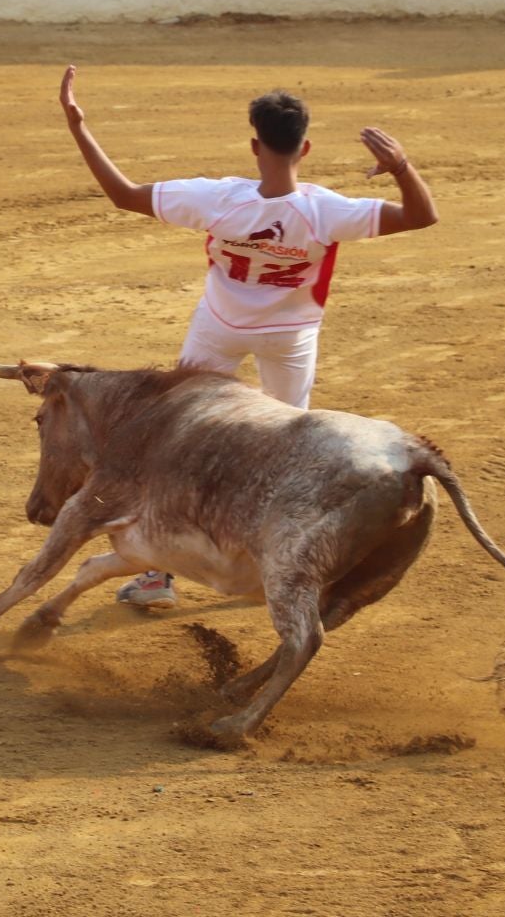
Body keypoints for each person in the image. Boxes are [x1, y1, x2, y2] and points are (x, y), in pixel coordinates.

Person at [56, 66, 440, 611]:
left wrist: (78, 125)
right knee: (285, 452)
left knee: (172, 444)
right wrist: (401, 167)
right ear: (304, 147)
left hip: (218, 329)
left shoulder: (219, 200)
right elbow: (423, 215)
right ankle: (274, 563)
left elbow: (123, 194)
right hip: (290, 336)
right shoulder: (325, 209)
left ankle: (158, 576)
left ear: (254, 144)